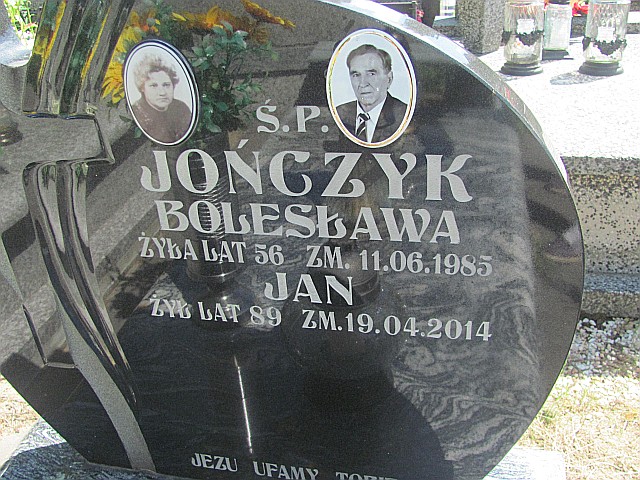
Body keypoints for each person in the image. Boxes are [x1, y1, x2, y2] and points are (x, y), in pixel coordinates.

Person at [336, 44, 408, 144]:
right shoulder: (339, 114)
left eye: (371, 74)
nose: (363, 83)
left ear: (389, 78)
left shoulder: (404, 116)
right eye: (356, 75)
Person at [131, 54, 192, 144]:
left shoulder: (181, 108)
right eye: (154, 86)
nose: (162, 92)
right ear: (142, 88)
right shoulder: (137, 112)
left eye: (166, 85)